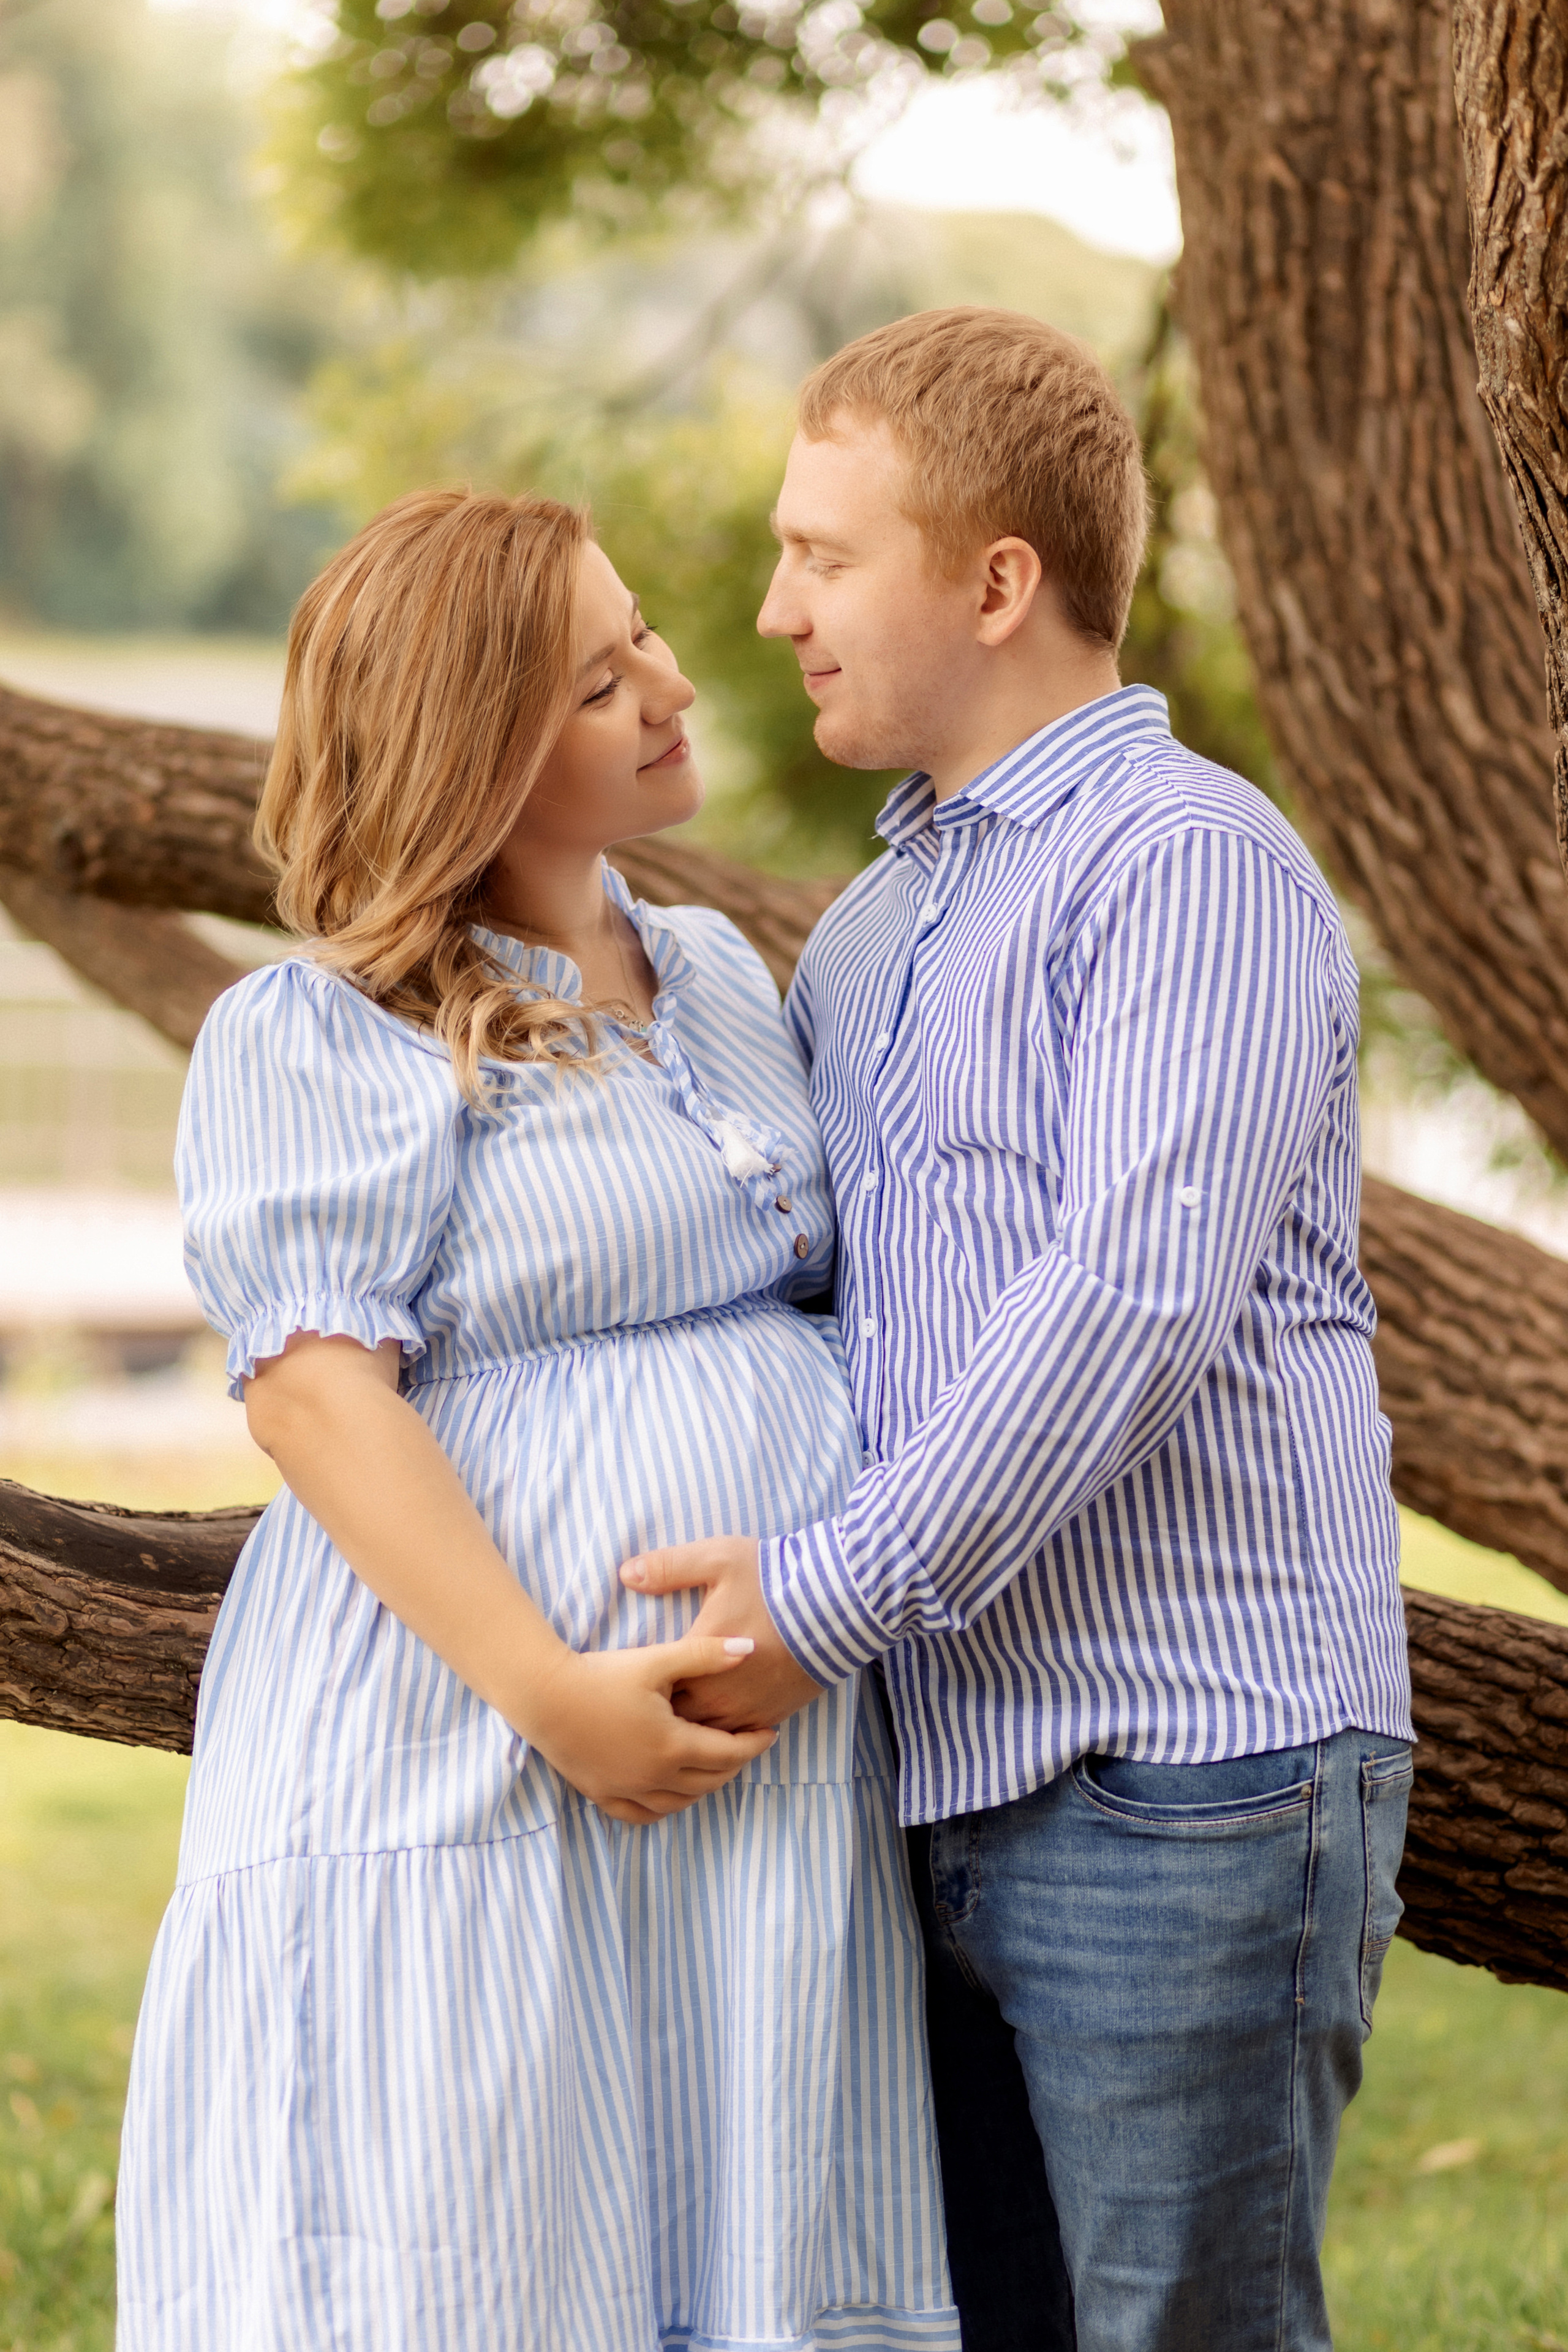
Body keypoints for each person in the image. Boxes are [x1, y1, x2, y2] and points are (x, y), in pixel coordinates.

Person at [619, 307, 1416, 2352]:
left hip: (1183, 1779)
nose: (779, 611)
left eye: (826, 557)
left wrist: (819, 1602)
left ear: (996, 583)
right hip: (935, 1781)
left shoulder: (1191, 870)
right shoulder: (878, 930)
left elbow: (1125, 1302)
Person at [115, 488, 959, 2352]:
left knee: (748, 2233)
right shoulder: (325, 1029)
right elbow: (318, 1391)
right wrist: (551, 1690)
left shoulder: (726, 974)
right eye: (596, 681)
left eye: (641, 633)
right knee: (484, 2238)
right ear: (472, 755)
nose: (670, 682)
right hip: (474, 1742)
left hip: (760, 1782)